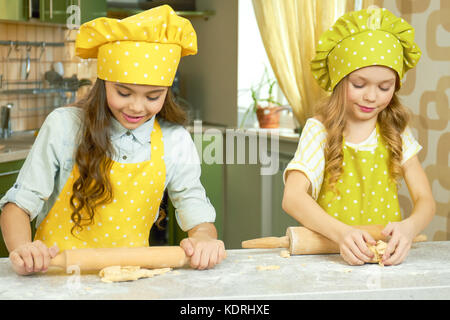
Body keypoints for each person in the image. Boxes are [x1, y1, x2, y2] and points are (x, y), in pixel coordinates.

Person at [0, 5, 226, 275]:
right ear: (103, 84)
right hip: (56, 278)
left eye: (153, 97)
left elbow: (196, 210)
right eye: (123, 92)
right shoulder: (64, 126)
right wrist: (23, 248)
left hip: (130, 282)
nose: (137, 107)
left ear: (167, 93)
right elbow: (18, 206)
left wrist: (204, 239)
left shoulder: (174, 140)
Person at [282, 8, 435, 266]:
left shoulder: (395, 129)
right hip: (328, 260)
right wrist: (342, 234)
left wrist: (409, 228)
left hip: (383, 261)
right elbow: (293, 197)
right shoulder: (319, 131)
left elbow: (425, 200)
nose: (372, 97)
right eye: (359, 84)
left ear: (395, 86)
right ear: (339, 80)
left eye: (384, 87)